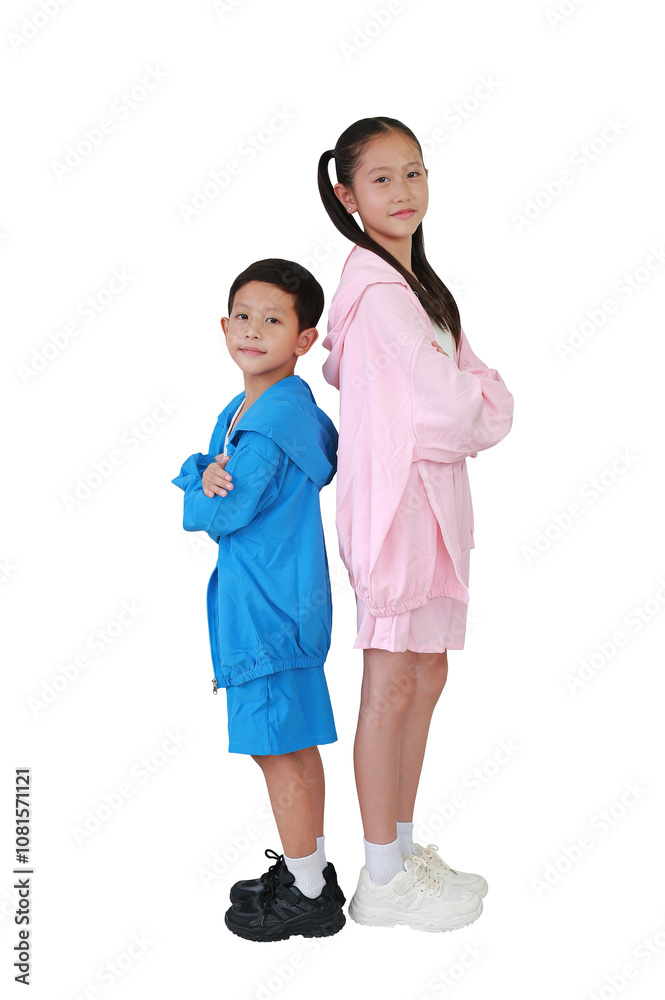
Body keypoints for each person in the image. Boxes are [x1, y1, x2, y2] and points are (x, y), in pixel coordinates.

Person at [317, 118, 514, 932]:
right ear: (347, 196)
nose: (403, 191)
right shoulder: (375, 297)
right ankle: (380, 879)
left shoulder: (415, 288)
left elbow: (470, 385)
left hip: (429, 511)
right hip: (395, 515)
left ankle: (399, 851)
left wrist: (473, 393)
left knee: (426, 675)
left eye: (414, 172)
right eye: (381, 179)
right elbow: (456, 406)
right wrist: (476, 395)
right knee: (391, 683)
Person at [171, 259, 345, 942]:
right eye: (243, 316)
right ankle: (310, 874)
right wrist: (201, 471)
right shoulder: (258, 409)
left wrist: (196, 485)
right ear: (223, 325)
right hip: (281, 599)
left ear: (304, 339)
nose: (252, 330)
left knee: (276, 749)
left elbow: (219, 512)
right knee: (291, 741)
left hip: (266, 609)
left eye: (273, 320)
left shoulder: (269, 424)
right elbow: (211, 472)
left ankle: (307, 896)